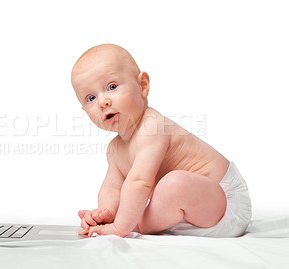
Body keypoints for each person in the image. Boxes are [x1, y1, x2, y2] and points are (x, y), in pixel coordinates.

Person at [71, 44, 251, 238]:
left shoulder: (152, 126)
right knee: (165, 189)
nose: (102, 102)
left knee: (174, 184)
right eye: (90, 98)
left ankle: (136, 226)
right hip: (189, 214)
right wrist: (105, 213)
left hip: (225, 206)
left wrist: (119, 226)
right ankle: (128, 222)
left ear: (143, 86)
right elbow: (112, 188)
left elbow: (140, 183)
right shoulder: (114, 148)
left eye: (112, 87)